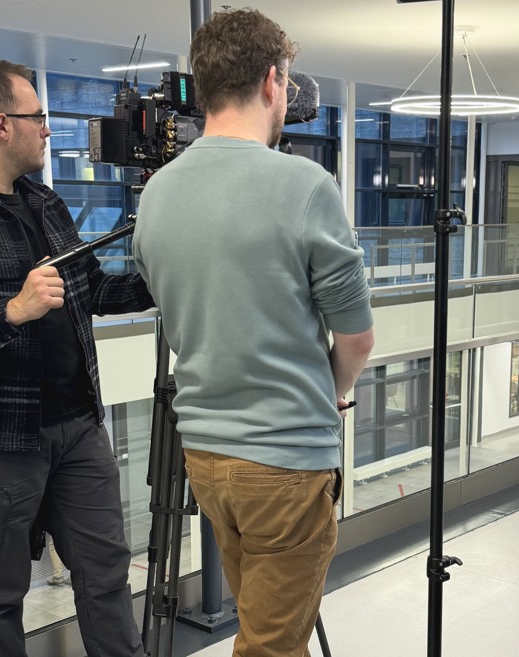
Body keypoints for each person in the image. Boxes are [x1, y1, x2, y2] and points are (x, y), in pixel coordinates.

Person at [133, 8, 374, 656]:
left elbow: (175, 304)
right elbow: (356, 337)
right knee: (272, 645)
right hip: (286, 460)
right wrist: (336, 392)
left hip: (208, 460)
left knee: (263, 625)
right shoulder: (301, 185)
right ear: (273, 82)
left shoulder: (155, 195)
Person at [0, 60, 154, 656]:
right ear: (1, 124)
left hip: (77, 428)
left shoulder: (45, 201)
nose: (48, 129)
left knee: (105, 575)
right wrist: (11, 312)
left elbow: (92, 289)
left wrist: (167, 280)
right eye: (38, 117)